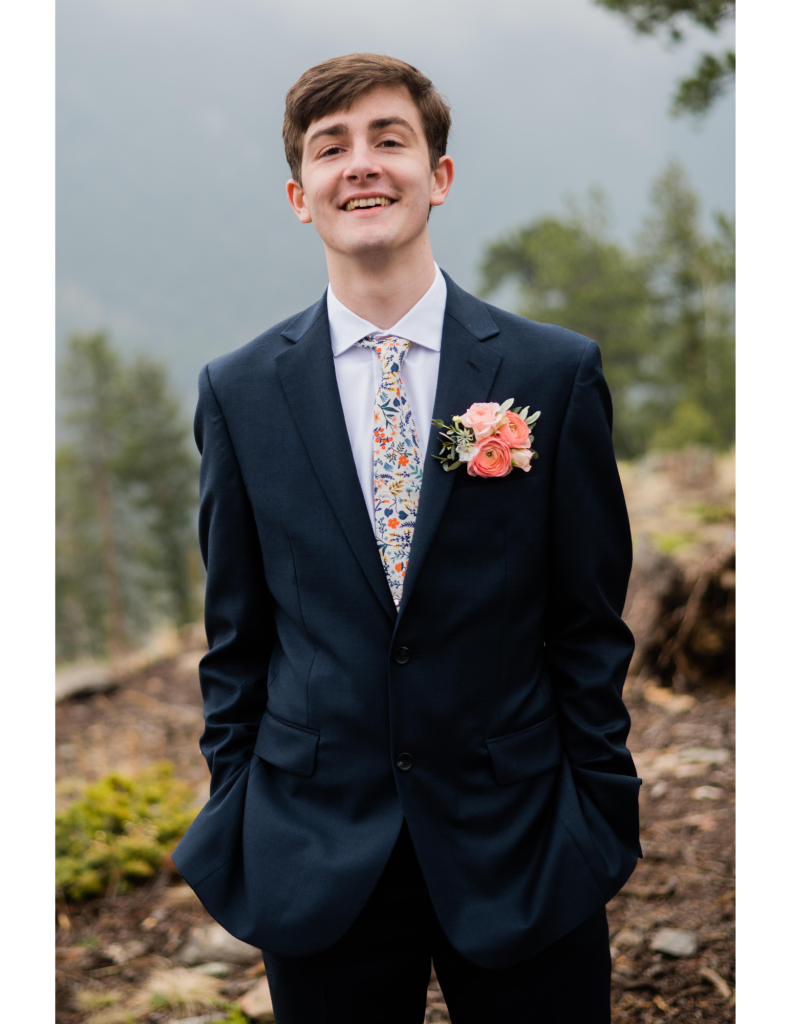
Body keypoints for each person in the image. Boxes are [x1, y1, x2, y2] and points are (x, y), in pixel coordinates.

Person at [173, 53, 641, 1024]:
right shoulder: (239, 391)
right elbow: (236, 638)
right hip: (314, 847)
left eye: (390, 139)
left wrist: (596, 810)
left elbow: (587, 622)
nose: (362, 165)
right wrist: (243, 806)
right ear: (300, 196)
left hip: (522, 835)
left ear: (439, 175)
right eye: (331, 147)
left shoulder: (551, 375)